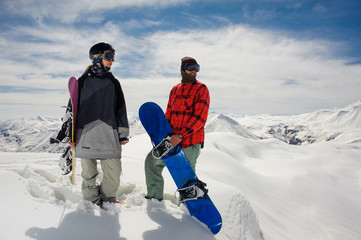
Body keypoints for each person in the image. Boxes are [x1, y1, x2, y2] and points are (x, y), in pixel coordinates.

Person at [144, 56, 210, 201]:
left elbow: (200, 118)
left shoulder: (201, 89)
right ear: (183, 70)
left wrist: (180, 136)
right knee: (151, 163)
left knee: (185, 177)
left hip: (190, 141)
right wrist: (164, 136)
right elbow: (168, 114)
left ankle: (188, 210)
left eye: (197, 68)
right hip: (172, 140)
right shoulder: (175, 90)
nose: (194, 71)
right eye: (191, 68)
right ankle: (154, 200)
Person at [72, 42, 129, 206]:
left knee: (114, 173)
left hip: (108, 135)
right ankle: (91, 201)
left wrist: (123, 132)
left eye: (113, 57)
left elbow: (120, 109)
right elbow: (72, 110)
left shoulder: (114, 83)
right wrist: (69, 133)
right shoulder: (81, 82)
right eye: (109, 56)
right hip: (86, 135)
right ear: (97, 57)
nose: (112, 61)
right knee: (88, 173)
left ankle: (108, 199)